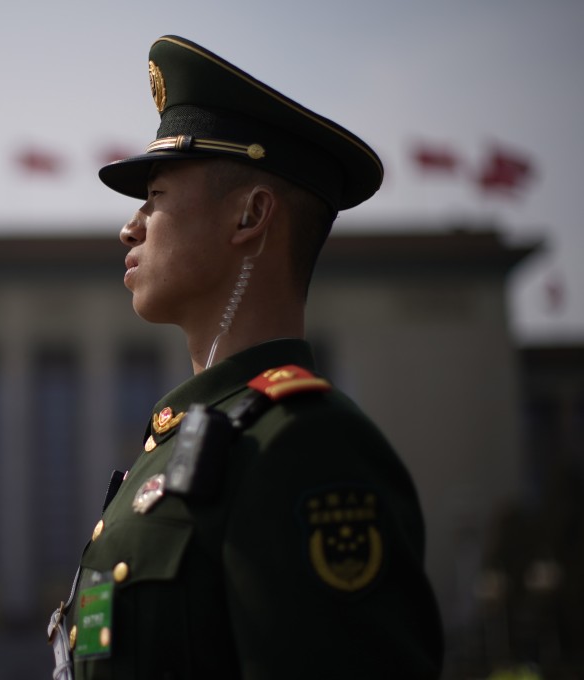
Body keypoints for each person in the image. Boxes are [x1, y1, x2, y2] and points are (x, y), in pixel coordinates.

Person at [47, 35, 444, 679]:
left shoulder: (302, 445)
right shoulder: (190, 445)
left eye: (157, 198)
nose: (130, 225)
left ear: (250, 216)